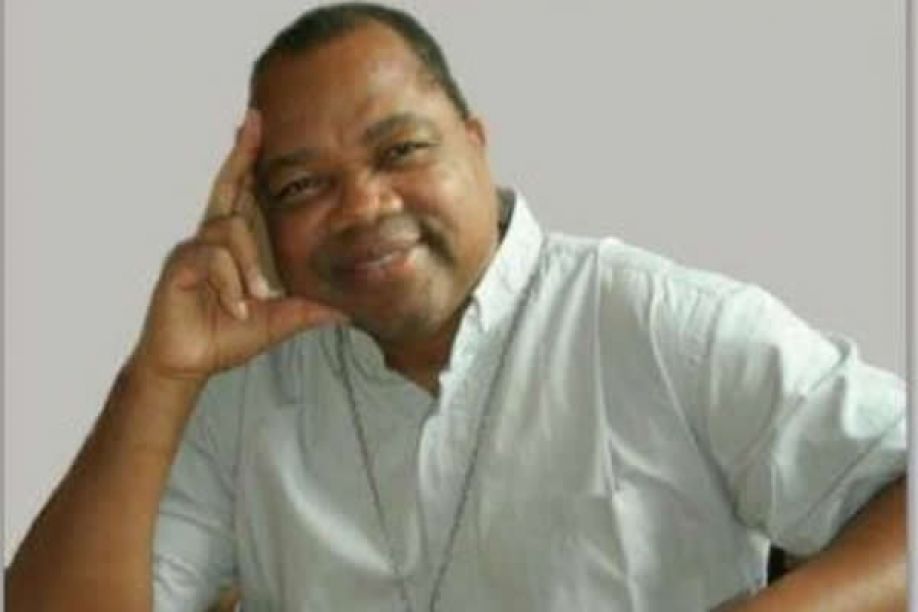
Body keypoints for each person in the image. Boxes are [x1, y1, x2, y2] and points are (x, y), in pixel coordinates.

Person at [6, 3, 906, 611]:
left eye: (401, 150)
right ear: (263, 223)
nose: (363, 206)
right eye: (303, 185)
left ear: (476, 146)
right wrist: (159, 376)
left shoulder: (658, 324)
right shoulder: (242, 398)